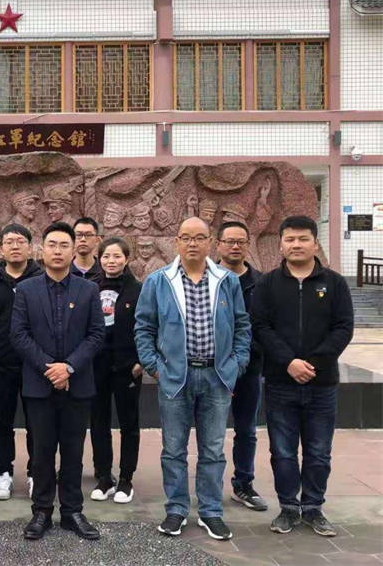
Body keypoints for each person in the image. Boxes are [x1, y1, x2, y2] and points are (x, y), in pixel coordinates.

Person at [134, 217, 250, 541]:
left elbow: (242, 326)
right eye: (186, 237)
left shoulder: (227, 281)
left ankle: (211, 512)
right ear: (177, 241)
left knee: (212, 450)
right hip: (175, 377)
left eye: (200, 237)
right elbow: (144, 327)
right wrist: (154, 366)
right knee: (173, 449)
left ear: (210, 242)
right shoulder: (158, 281)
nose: (193, 243)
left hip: (217, 377)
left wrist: (237, 364)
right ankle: (176, 509)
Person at [251, 216, 353, 537]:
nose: (296, 245)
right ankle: (288, 508)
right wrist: (289, 362)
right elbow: (260, 327)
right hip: (281, 383)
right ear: (281, 244)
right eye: (290, 239)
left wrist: (313, 364)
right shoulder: (267, 284)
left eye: (303, 239)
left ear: (315, 243)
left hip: (321, 384)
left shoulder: (334, 283)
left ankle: (313, 508)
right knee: (282, 451)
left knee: (319, 451)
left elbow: (343, 328)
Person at [11, 222, 105, 541]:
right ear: (42, 249)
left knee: (73, 452)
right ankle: (41, 512)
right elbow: (19, 335)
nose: (57, 250)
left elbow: (96, 335)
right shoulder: (26, 289)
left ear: (73, 249)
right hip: (39, 385)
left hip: (78, 385)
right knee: (42, 451)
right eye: (52, 244)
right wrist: (50, 369)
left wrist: (70, 368)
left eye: (64, 245)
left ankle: (72, 511)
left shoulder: (88, 290)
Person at [214, 221, 267, 512]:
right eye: (229, 241)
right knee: (210, 431)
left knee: (246, 429)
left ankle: (243, 484)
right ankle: (209, 487)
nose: (235, 246)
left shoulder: (262, 283)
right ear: (218, 244)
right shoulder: (206, 279)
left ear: (247, 245)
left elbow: (266, 326)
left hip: (249, 368)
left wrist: (242, 360)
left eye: (240, 241)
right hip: (211, 368)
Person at [0, 224, 43, 501]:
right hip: (0, 361)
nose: (14, 246)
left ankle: (36, 472)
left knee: (36, 421)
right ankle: (3, 472)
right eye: (9, 241)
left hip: (34, 361)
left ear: (30, 247)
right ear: (1, 248)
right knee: (1, 420)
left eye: (20, 241)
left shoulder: (41, 278)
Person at [89, 237, 143, 504]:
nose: (111, 261)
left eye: (117, 256)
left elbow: (147, 326)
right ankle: (103, 477)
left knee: (128, 424)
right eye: (106, 256)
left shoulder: (139, 289)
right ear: (99, 259)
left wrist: (141, 361)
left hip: (127, 367)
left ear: (126, 258)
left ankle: (125, 479)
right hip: (96, 365)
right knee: (98, 423)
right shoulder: (90, 287)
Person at [71, 217, 103, 284]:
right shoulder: (64, 271)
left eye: (88, 235)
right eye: (79, 235)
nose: (83, 239)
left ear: (97, 240)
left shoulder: (104, 271)